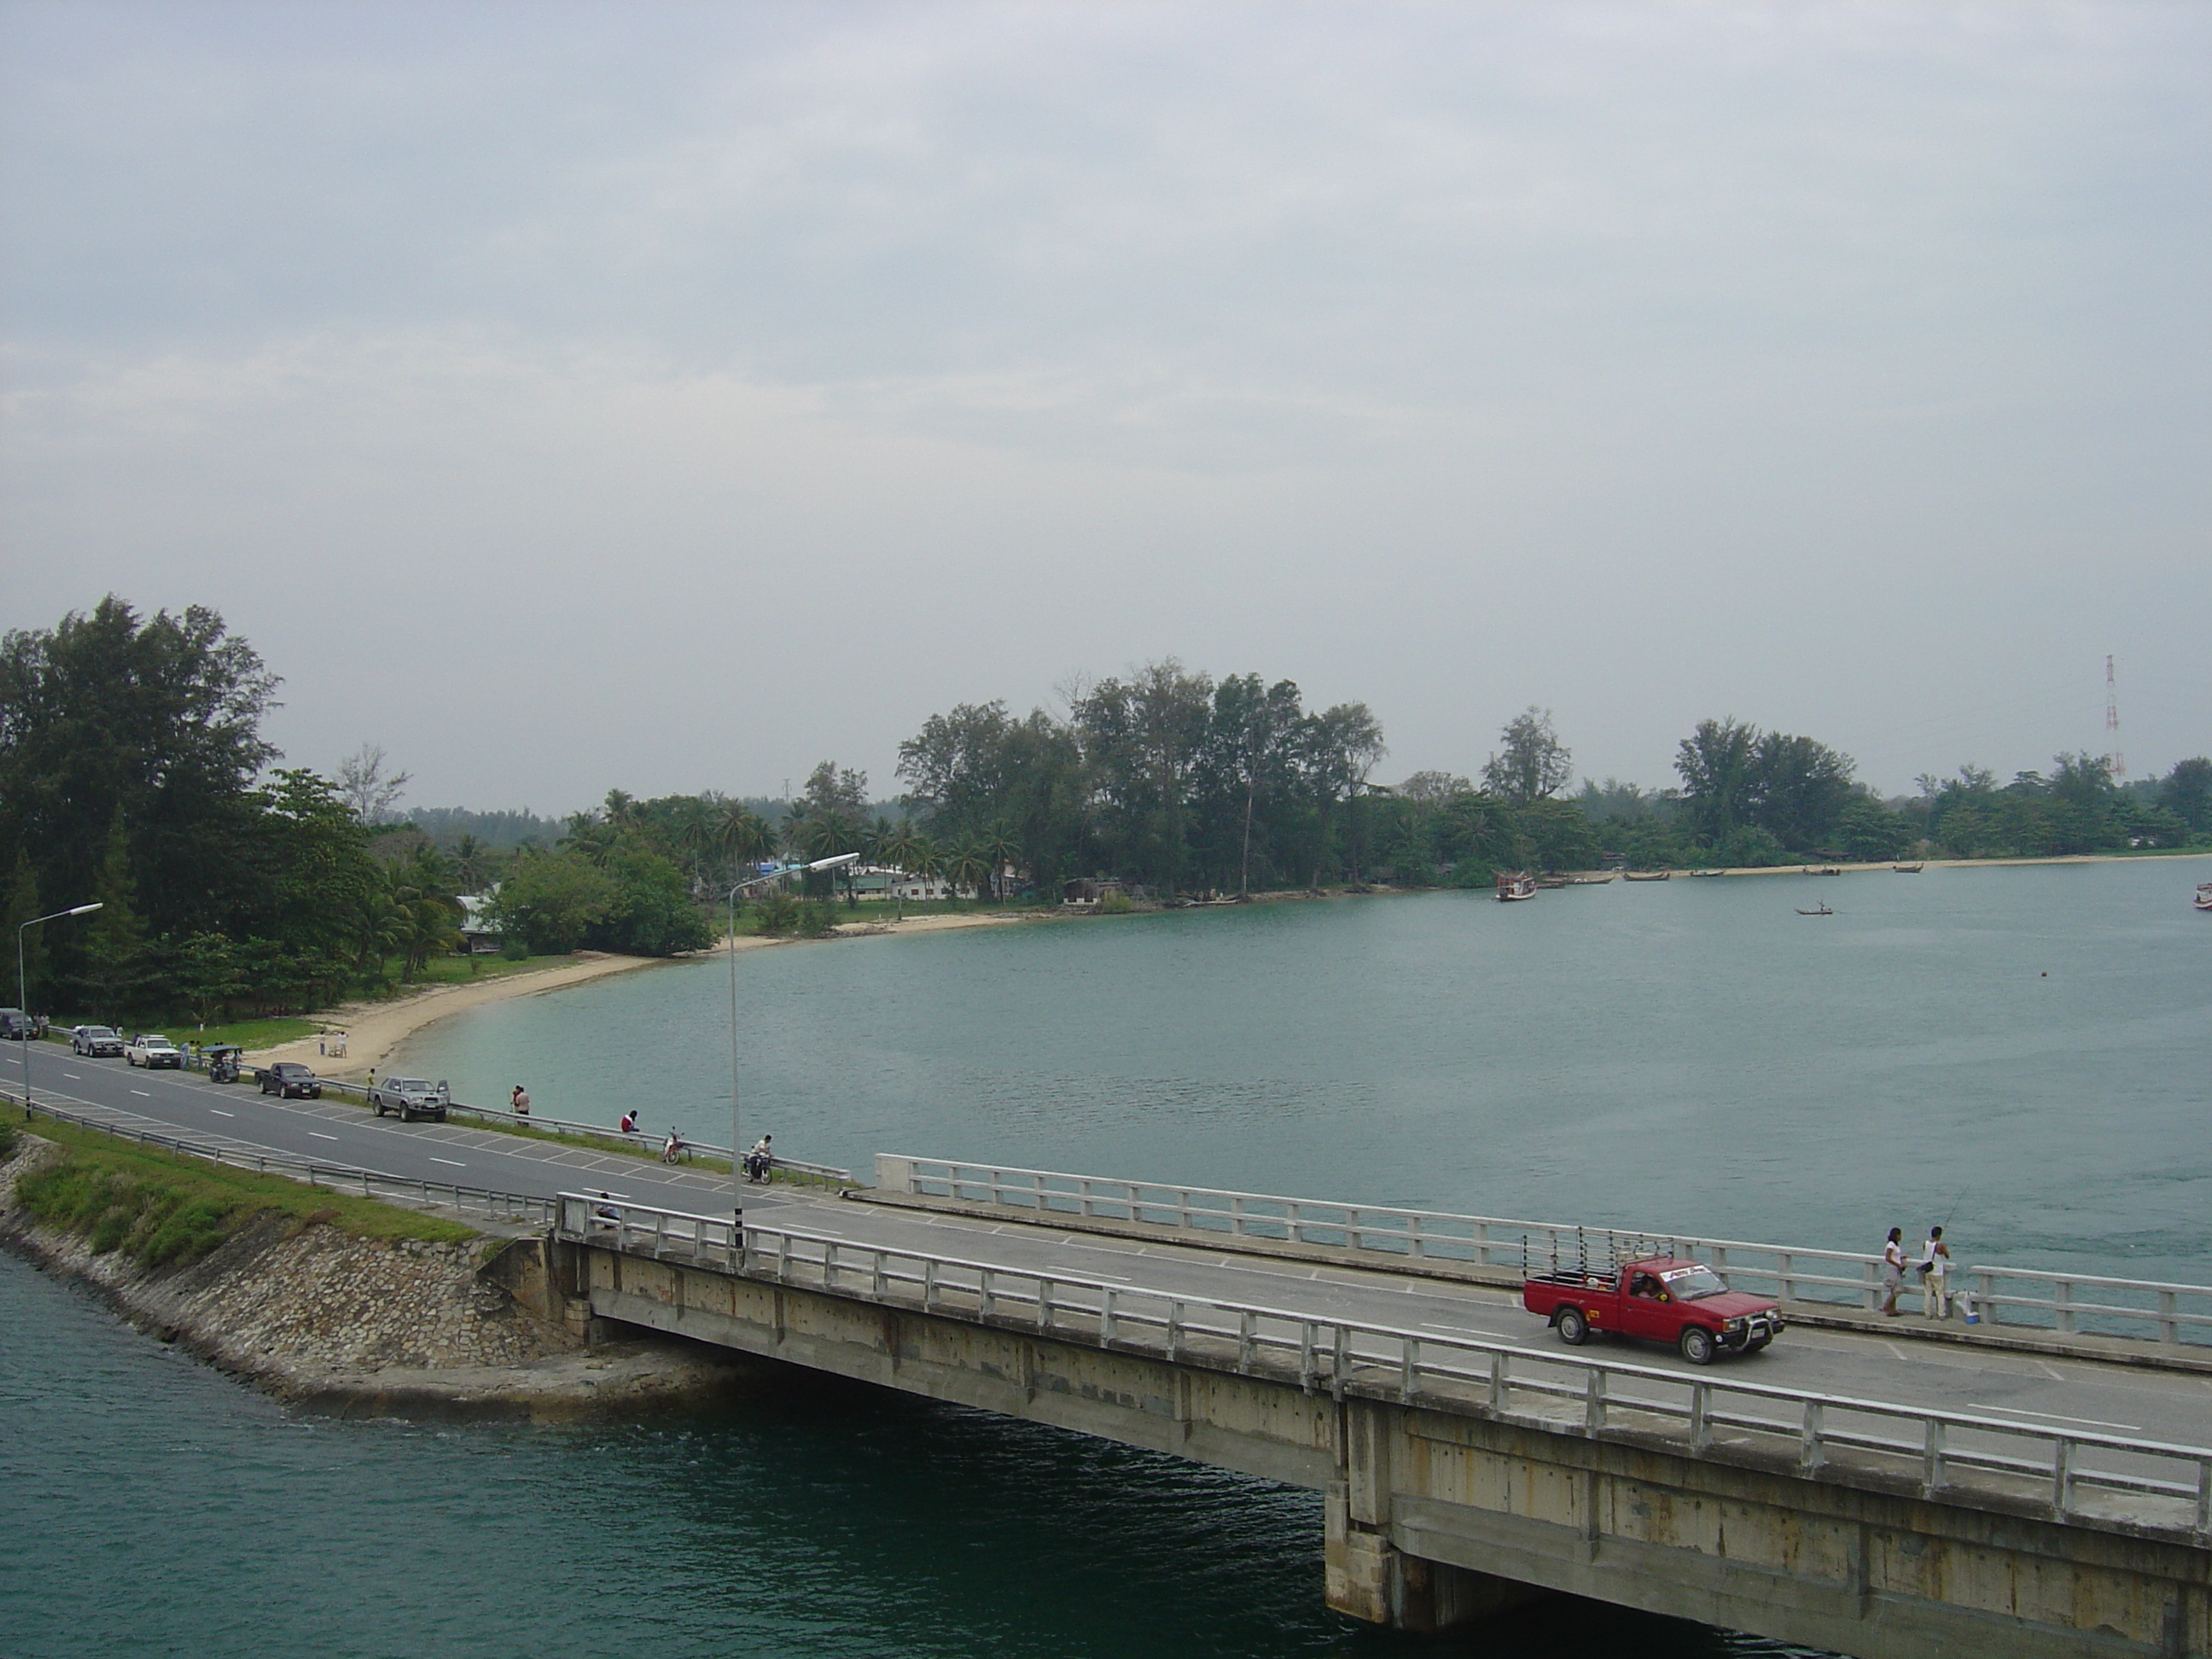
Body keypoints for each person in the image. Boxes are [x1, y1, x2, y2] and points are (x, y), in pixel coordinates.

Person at [1919, 1225, 1953, 1319]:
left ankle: (1928, 1313)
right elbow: (1947, 1256)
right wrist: (1945, 1248)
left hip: (1927, 1271)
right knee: (1940, 1293)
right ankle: (1941, 1314)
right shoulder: (1940, 1245)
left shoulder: (1925, 1243)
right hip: (1937, 1272)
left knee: (1928, 1293)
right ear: (1939, 1235)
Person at [1880, 1227, 1907, 1316]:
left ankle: (1893, 1309)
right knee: (1898, 1289)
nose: (1901, 1237)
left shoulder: (1895, 1245)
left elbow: (1894, 1256)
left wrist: (1901, 1258)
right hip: (1892, 1268)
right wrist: (1898, 1264)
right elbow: (1888, 1258)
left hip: (1896, 1268)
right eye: (1900, 1235)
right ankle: (1886, 1306)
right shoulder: (1891, 1245)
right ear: (1896, 1235)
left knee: (1894, 1289)